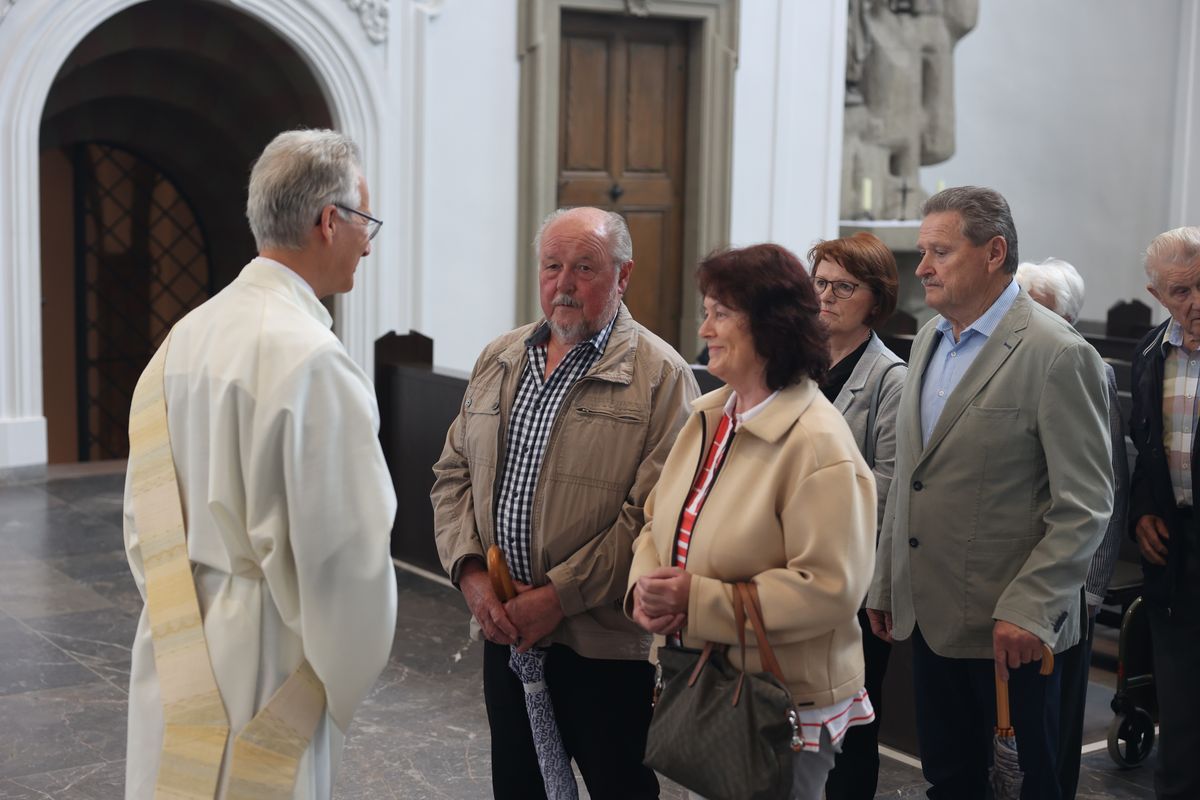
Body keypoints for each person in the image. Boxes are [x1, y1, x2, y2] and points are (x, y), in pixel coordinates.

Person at [122, 129, 399, 799]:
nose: (368, 243)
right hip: (269, 653)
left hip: (178, 632)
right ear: (329, 222)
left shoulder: (184, 337)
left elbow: (143, 518)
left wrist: (180, 620)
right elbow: (345, 563)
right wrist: (338, 678)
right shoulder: (311, 361)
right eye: (366, 224)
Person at [430, 206, 698, 800]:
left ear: (623, 276)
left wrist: (558, 597)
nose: (564, 283)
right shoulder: (500, 358)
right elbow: (451, 476)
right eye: (552, 266)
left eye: (584, 267)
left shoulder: (662, 376)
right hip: (504, 631)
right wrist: (472, 577)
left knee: (618, 786)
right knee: (518, 787)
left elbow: (651, 517)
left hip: (601, 643)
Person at [864, 186, 1113, 800]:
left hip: (1012, 631)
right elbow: (914, 480)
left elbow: (1084, 506)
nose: (921, 267)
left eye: (939, 252)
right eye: (923, 251)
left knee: (1024, 788)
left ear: (994, 252)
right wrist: (888, 581)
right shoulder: (927, 339)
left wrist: (1030, 608)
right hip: (930, 614)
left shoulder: (1058, 354)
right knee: (949, 781)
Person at [626, 243, 878, 800]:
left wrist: (693, 602)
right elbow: (657, 520)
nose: (705, 327)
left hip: (780, 694)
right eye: (706, 311)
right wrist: (645, 587)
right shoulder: (712, 415)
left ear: (770, 326)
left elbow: (831, 588)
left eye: (720, 313)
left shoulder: (817, 443)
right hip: (710, 674)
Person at [1015, 257, 1129, 799]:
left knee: (1052, 728)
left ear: (1066, 318)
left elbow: (1104, 485)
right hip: (1016, 573)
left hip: (1070, 581)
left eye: (1036, 310)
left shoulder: (1088, 368)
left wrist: (1089, 589)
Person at [809, 233, 907, 800]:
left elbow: (888, 491)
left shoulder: (890, 378)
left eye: (843, 287)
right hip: (792, 572)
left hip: (852, 578)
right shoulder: (794, 362)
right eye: (820, 283)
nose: (826, 297)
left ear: (876, 298)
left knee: (850, 728)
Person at [1129, 227, 1200, 800]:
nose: (1195, 303)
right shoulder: (1152, 350)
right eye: (1181, 291)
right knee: (1177, 693)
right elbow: (1145, 445)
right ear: (1157, 294)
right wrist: (1144, 510)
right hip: (1176, 543)